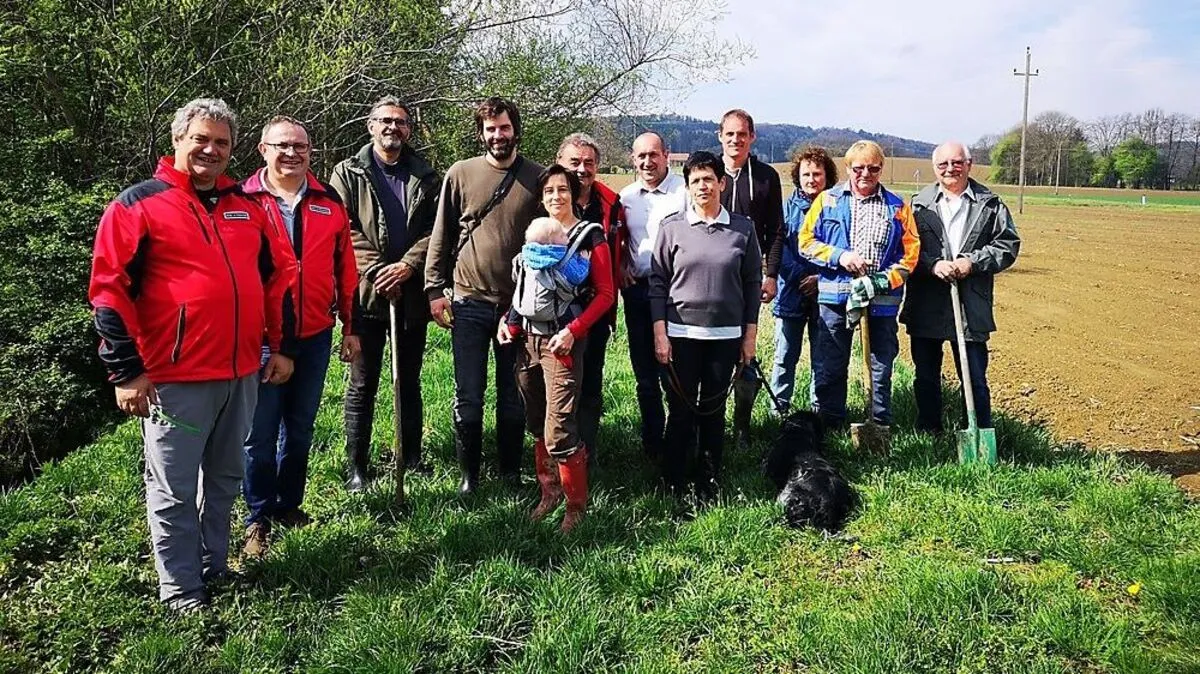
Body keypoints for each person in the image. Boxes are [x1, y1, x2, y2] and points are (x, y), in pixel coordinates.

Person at [89, 98, 297, 612]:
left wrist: (280, 346)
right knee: (175, 488)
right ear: (178, 141)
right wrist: (126, 371)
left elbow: (279, 279)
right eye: (201, 139)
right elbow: (108, 290)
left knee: (225, 477)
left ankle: (214, 564)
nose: (211, 150)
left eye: (222, 142)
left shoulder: (246, 207)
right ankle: (180, 588)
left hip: (242, 369)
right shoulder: (138, 205)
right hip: (173, 378)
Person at [239, 116, 360, 557]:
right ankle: (257, 518)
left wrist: (352, 325)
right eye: (282, 146)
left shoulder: (329, 203)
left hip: (314, 334)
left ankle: (289, 504)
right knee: (260, 431)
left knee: (301, 426)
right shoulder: (242, 202)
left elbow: (346, 270)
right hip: (263, 338)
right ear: (263, 149)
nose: (292, 154)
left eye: (301, 148)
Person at [425, 97, 543, 495]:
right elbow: (441, 234)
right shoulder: (461, 173)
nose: (498, 135)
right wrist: (433, 289)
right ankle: (469, 478)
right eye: (491, 129)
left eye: (504, 127)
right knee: (468, 393)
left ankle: (510, 473)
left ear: (516, 130)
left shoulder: (536, 177)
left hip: (518, 307)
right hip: (468, 301)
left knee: (514, 392)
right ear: (481, 134)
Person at [331, 96, 440, 492]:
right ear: (371, 126)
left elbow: (436, 229)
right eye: (386, 121)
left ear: (409, 129)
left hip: (410, 295)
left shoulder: (426, 177)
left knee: (408, 380)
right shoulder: (347, 173)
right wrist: (377, 269)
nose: (394, 128)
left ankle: (411, 457)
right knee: (363, 383)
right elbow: (343, 226)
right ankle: (356, 466)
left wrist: (407, 266)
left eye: (401, 122)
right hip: (366, 295)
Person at [500, 166, 615, 532]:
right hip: (526, 342)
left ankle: (575, 507)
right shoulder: (536, 234)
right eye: (548, 191)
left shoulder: (589, 237)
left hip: (561, 343)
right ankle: (548, 493)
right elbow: (524, 288)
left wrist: (573, 330)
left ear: (574, 192)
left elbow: (606, 294)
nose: (555, 197)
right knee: (536, 421)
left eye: (562, 189)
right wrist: (510, 321)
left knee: (560, 427)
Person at [650, 151, 762, 497]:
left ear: (721, 183)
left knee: (713, 410)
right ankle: (673, 480)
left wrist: (749, 337)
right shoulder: (672, 228)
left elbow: (752, 283)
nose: (703, 186)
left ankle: (709, 479)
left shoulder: (743, 229)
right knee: (681, 410)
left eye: (708, 179)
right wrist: (660, 333)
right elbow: (657, 282)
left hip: (726, 335)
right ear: (687, 187)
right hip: (681, 334)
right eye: (695, 180)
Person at [798, 140, 918, 440]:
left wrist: (881, 280)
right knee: (830, 364)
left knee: (880, 365)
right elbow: (805, 243)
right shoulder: (827, 201)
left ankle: (878, 425)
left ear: (882, 169)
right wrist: (841, 256)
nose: (866, 173)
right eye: (859, 168)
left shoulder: (898, 206)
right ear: (848, 168)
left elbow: (911, 255)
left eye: (873, 168)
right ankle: (831, 426)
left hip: (882, 302)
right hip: (835, 297)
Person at [901, 142, 1020, 434]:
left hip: (970, 305)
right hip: (927, 302)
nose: (950, 169)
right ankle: (929, 433)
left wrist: (973, 262)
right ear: (934, 168)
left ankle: (978, 432)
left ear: (969, 164)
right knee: (926, 375)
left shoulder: (990, 204)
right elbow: (906, 248)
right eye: (943, 164)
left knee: (975, 376)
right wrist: (932, 264)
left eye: (957, 163)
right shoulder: (918, 204)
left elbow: (1008, 245)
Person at [717, 109, 785, 449]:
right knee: (713, 351)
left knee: (747, 351)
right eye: (729, 134)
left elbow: (776, 230)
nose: (735, 140)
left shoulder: (766, 177)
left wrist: (770, 274)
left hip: (749, 278)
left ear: (752, 137)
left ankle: (741, 427)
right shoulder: (707, 173)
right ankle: (708, 420)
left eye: (742, 134)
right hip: (712, 279)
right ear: (720, 136)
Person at [617, 132, 687, 459]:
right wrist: (620, 266)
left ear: (667, 155)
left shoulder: (683, 194)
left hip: (675, 295)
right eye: (641, 156)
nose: (647, 162)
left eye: (654, 155)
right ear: (633, 159)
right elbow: (615, 239)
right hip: (637, 293)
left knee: (673, 370)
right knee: (644, 372)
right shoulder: (626, 197)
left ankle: (679, 437)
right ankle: (652, 442)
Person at [556, 132, 625, 462]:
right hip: (553, 310)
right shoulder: (547, 200)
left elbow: (620, 248)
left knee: (590, 381)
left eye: (588, 162)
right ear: (560, 164)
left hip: (596, 307)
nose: (582, 169)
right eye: (574, 162)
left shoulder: (611, 203)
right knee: (556, 384)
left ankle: (586, 453)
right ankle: (555, 453)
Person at [770, 147, 838, 414]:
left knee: (821, 359)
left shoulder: (836, 205)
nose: (811, 179)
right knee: (785, 356)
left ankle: (818, 411)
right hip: (791, 293)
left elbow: (841, 246)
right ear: (798, 176)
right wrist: (801, 277)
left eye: (817, 174)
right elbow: (778, 247)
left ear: (827, 176)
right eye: (806, 174)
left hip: (827, 293)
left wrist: (820, 279)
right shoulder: (787, 208)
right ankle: (778, 410)